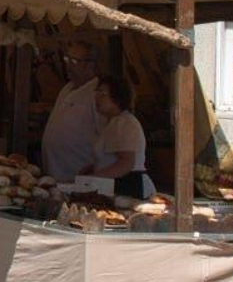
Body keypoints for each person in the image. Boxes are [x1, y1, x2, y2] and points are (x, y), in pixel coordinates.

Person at [82, 74, 157, 198]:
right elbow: (110, 157)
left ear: (117, 97)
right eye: (97, 93)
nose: (97, 98)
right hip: (113, 183)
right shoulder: (112, 123)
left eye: (102, 94)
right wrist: (92, 168)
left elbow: (126, 162)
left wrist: (94, 178)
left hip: (128, 185)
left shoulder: (125, 122)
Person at [42, 39, 102, 182]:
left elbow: (106, 136)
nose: (68, 65)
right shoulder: (67, 88)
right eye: (66, 58)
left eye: (74, 61)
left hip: (79, 176)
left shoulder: (98, 93)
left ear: (90, 64)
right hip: (55, 174)